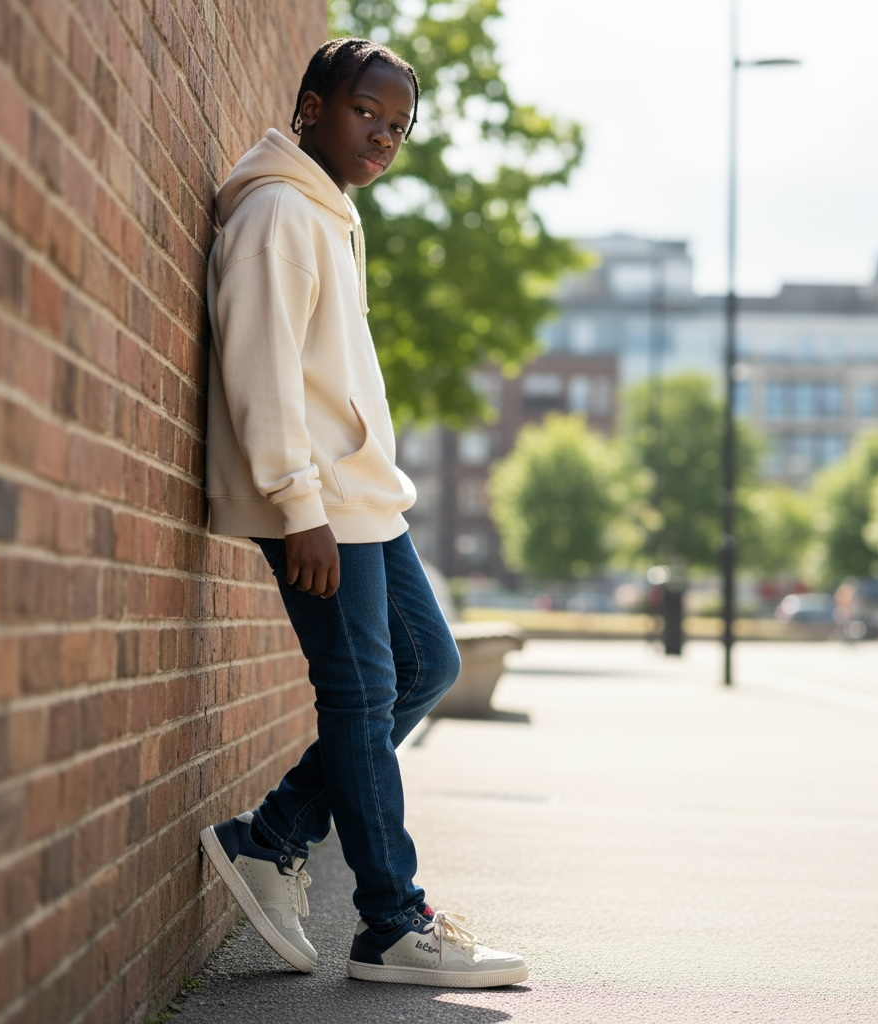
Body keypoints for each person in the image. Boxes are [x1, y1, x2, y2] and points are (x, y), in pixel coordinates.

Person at [199, 37, 528, 988]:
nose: (383, 137)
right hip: (322, 507)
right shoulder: (276, 215)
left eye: (399, 125)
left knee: (428, 667)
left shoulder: (330, 214)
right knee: (360, 698)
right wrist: (297, 506)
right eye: (365, 114)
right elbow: (259, 372)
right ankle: (389, 922)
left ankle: (271, 838)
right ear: (309, 106)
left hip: (366, 501)